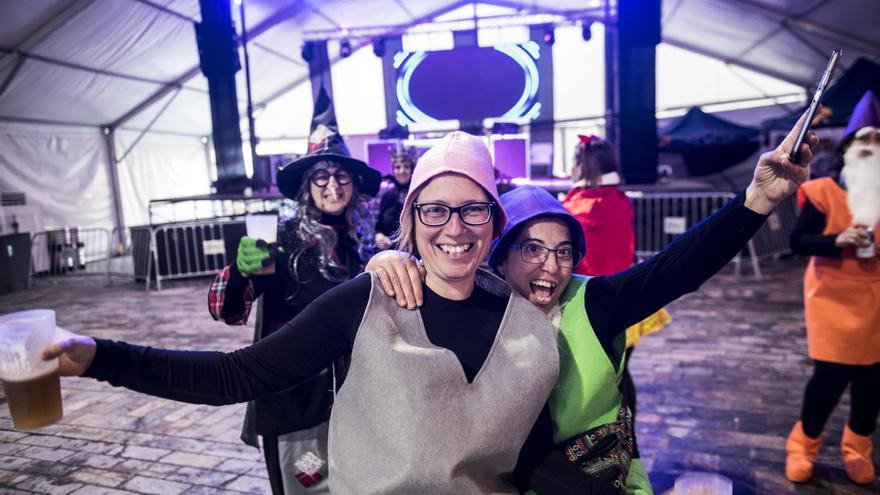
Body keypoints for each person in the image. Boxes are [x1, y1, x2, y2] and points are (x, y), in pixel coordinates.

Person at [46, 118, 815, 494]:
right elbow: (234, 376)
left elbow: (525, 455)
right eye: (434, 210)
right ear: (410, 220)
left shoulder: (525, 318)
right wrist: (97, 356)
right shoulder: (368, 298)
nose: (454, 226)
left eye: (474, 209)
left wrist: (752, 204)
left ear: (495, 222)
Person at [366, 118, 818, 493]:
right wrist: (388, 260)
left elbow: (679, 268)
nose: (551, 266)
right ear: (499, 258)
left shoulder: (592, 302)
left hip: (604, 478)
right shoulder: (475, 307)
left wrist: (756, 200)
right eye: (532, 249)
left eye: (564, 251)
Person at [206, 88, 381, 494]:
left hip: (358, 406)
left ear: (355, 185)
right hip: (296, 405)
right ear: (307, 184)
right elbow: (229, 309)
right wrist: (239, 272)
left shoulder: (364, 242)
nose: (333, 186)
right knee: (308, 486)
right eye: (322, 176)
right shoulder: (281, 239)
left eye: (342, 176)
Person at [785, 90, 880, 485]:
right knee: (828, 379)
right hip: (831, 296)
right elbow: (797, 242)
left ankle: (857, 450)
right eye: (864, 139)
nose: (872, 147)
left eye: (878, 140)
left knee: (871, 383)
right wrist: (836, 240)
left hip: (875, 298)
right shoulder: (824, 191)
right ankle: (802, 447)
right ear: (847, 147)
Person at [562, 135, 670, 422]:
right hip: (628, 297)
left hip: (589, 305)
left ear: (581, 166)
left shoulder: (573, 209)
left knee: (595, 376)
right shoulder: (622, 202)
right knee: (621, 374)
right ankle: (627, 437)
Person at [374, 144, 415, 250]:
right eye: (398, 167)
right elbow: (378, 227)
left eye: (406, 166)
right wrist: (379, 237)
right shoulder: (386, 195)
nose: (402, 171)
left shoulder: (419, 193)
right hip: (390, 253)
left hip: (417, 253)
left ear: (412, 168)